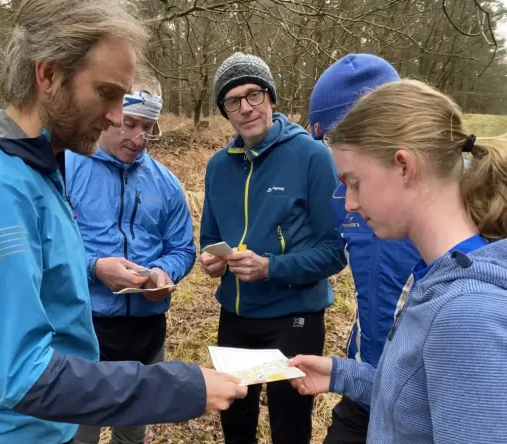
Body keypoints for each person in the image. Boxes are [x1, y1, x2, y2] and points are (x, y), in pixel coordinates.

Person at [0, 1, 246, 443]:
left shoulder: (36, 168)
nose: (116, 117)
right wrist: (182, 386)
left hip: (49, 424)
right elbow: (23, 376)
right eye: (108, 94)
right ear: (48, 75)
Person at [290, 79, 507, 443]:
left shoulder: (467, 315)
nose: (350, 204)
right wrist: (343, 376)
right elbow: (421, 405)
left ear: (404, 166)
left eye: (354, 182)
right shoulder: (438, 274)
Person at [199, 52, 346, 444]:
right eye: (233, 100)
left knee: (290, 425)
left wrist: (271, 267)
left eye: (254, 94)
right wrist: (212, 262)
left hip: (293, 319)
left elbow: (335, 251)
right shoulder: (217, 167)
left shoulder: (312, 156)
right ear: (225, 111)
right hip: (236, 315)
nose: (246, 108)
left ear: (271, 98)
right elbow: (209, 240)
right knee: (235, 420)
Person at [68, 66, 196, 444]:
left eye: (148, 128)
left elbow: (183, 248)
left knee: (132, 431)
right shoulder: (67, 168)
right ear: (109, 114)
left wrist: (162, 273)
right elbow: (44, 247)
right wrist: (94, 268)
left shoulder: (166, 183)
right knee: (79, 433)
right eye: (129, 124)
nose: (139, 138)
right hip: (84, 329)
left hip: (145, 334)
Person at [309, 53, 422, 443]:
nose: (348, 196)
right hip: (365, 384)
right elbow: (337, 257)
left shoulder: (449, 212)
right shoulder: (344, 198)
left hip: (418, 400)